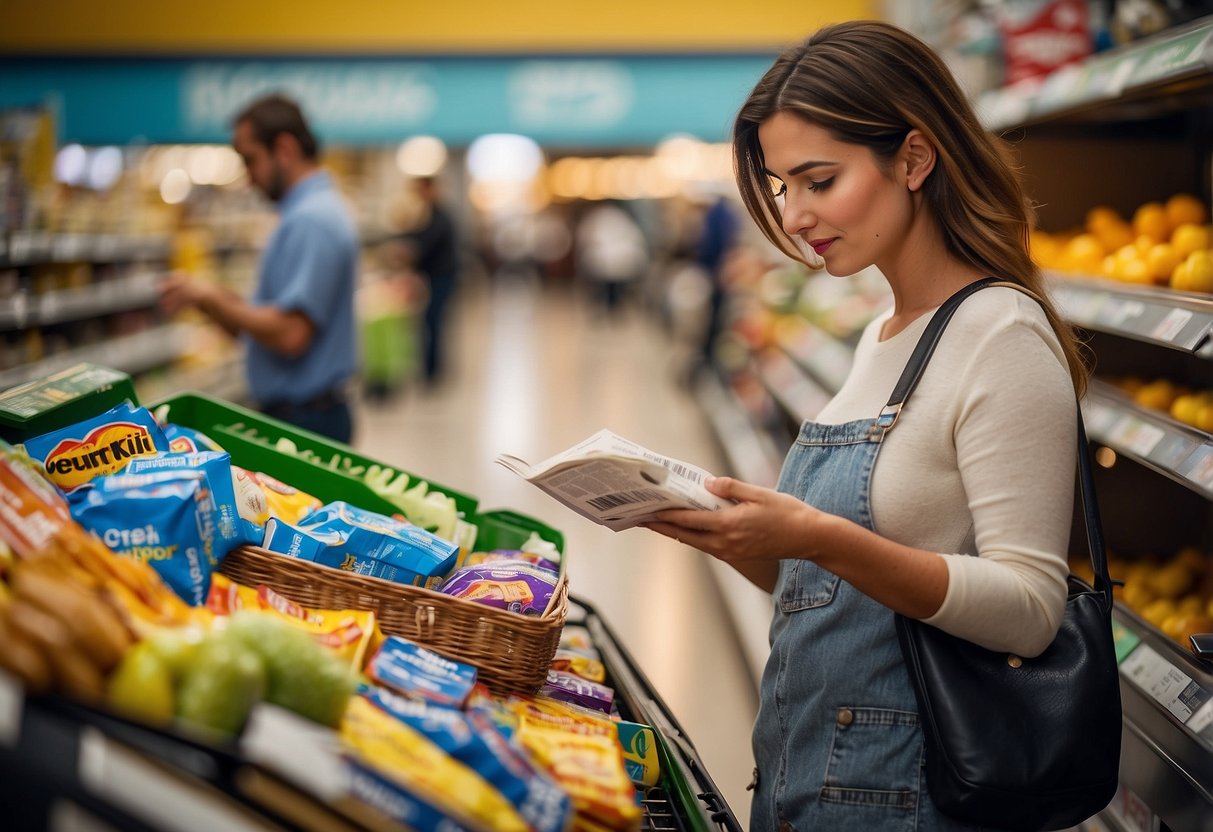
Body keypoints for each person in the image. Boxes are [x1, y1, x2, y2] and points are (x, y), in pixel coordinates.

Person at [642, 21, 1088, 832]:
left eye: (818, 180)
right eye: (781, 187)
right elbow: (836, 596)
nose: (796, 214)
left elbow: (1029, 607)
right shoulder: (880, 329)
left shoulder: (999, 335)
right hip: (806, 777)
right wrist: (740, 537)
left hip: (911, 795)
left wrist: (815, 536)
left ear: (913, 159)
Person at [159, 94, 358, 443]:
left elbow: (290, 333)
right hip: (306, 414)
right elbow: (265, 322)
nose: (248, 178)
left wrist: (211, 298)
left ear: (284, 148)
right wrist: (206, 298)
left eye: (251, 160)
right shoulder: (306, 214)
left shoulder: (311, 220)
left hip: (305, 421)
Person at [399, 176, 460, 388]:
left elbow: (424, 243)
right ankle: (430, 369)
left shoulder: (440, 217)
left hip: (441, 277)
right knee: (431, 323)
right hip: (435, 277)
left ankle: (432, 372)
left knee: (433, 322)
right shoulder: (431, 215)